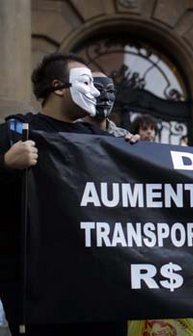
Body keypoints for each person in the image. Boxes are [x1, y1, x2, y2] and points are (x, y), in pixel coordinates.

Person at [0, 52, 127, 335]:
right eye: (87, 83)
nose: (96, 92)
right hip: (42, 292)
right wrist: (6, 164)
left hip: (102, 290)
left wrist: (135, 154)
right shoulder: (16, 130)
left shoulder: (104, 141)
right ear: (58, 87)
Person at [80, 71, 135, 139]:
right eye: (98, 90)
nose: (106, 97)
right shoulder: (69, 131)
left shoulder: (123, 137)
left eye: (110, 91)